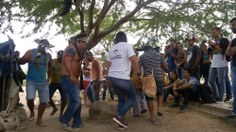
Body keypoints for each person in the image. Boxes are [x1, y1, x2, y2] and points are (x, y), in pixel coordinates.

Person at [106, 31, 141, 130]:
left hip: (112, 77)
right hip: (122, 78)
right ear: (125, 38)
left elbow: (107, 64)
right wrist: (139, 74)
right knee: (133, 97)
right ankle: (119, 116)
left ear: (116, 38)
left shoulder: (112, 49)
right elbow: (134, 60)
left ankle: (120, 124)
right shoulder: (127, 46)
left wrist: (107, 78)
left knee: (121, 99)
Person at [19, 39, 53, 126]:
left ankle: (39, 120)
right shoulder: (31, 52)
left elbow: (50, 68)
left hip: (43, 82)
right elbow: (20, 61)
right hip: (31, 81)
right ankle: (32, 111)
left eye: (46, 47)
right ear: (39, 46)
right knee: (30, 99)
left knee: (44, 101)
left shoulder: (48, 56)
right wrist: (26, 59)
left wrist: (48, 78)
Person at [59, 33, 87, 130]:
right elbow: (67, 61)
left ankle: (77, 122)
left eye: (84, 42)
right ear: (76, 41)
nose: (83, 43)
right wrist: (71, 75)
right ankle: (64, 119)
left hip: (72, 79)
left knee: (76, 100)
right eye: (80, 41)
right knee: (76, 101)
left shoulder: (77, 50)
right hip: (68, 78)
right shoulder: (71, 48)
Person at [139, 45, 167, 123]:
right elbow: (165, 66)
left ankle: (152, 117)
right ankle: (159, 109)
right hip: (158, 77)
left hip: (148, 78)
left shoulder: (142, 56)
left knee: (149, 98)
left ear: (145, 50)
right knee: (160, 93)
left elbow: (139, 68)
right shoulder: (159, 55)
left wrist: (140, 77)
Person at [208, 27, 230, 102]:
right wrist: (208, 47)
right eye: (212, 32)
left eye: (214, 32)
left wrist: (214, 44)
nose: (212, 33)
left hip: (222, 63)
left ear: (218, 32)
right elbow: (210, 53)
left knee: (221, 81)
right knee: (211, 80)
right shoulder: (213, 42)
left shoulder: (224, 40)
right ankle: (216, 95)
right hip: (214, 63)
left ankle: (220, 97)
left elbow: (222, 51)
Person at [48, 50, 67, 117]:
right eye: (59, 57)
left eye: (62, 57)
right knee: (47, 97)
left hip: (63, 83)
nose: (60, 58)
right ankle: (54, 108)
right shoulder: (53, 61)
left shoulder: (66, 63)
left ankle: (61, 113)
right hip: (53, 83)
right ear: (57, 56)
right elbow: (48, 69)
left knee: (64, 98)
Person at [225, 17, 236, 118]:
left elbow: (231, 51)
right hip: (234, 66)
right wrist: (230, 49)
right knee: (235, 89)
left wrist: (231, 49)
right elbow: (227, 53)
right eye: (231, 25)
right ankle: (235, 111)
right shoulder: (233, 40)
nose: (231, 27)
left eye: (233, 25)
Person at [131, 51, 147, 117]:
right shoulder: (141, 60)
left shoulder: (132, 62)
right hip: (142, 79)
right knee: (142, 94)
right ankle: (144, 107)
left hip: (134, 80)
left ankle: (137, 112)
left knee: (136, 96)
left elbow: (130, 71)